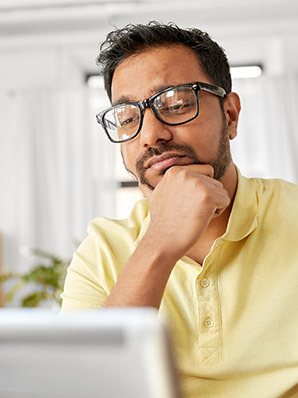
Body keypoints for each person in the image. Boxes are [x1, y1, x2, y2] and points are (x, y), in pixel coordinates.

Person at [61, 22, 298, 398]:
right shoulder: (102, 248)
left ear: (231, 116)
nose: (150, 134)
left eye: (176, 103)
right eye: (127, 117)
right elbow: (82, 388)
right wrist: (160, 241)